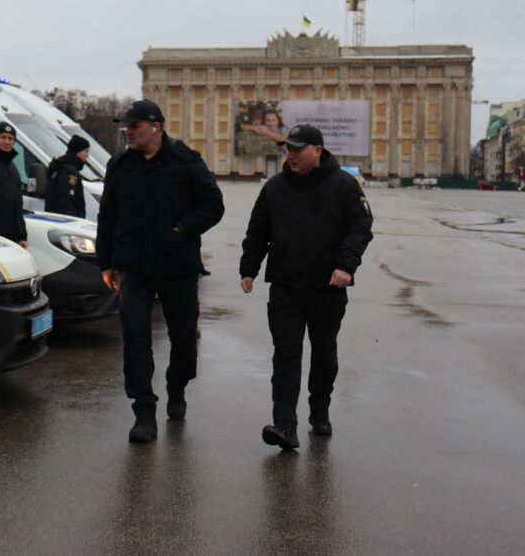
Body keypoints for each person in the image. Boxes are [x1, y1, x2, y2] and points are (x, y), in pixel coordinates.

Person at [96, 99, 225, 443]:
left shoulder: (185, 162)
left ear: (155, 127)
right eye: (125, 126)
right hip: (133, 266)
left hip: (177, 267)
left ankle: (177, 383)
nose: (128, 132)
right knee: (136, 337)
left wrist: (182, 229)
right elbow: (107, 214)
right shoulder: (120, 165)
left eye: (133, 126)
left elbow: (214, 205)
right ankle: (143, 409)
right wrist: (105, 261)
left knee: (184, 339)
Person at [238, 125, 373, 450]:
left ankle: (319, 408)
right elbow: (257, 231)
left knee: (324, 353)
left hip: (327, 286)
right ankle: (285, 425)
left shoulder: (344, 185)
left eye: (298, 149)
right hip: (285, 285)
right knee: (286, 354)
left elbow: (360, 227)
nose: (292, 155)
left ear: (318, 150)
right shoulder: (274, 188)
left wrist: (345, 265)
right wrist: (249, 268)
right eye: (289, 149)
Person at [45, 135, 89, 217]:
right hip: (66, 222)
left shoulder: (60, 166)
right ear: (78, 151)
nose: (87, 155)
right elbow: (66, 203)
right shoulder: (69, 172)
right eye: (86, 151)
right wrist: (76, 221)